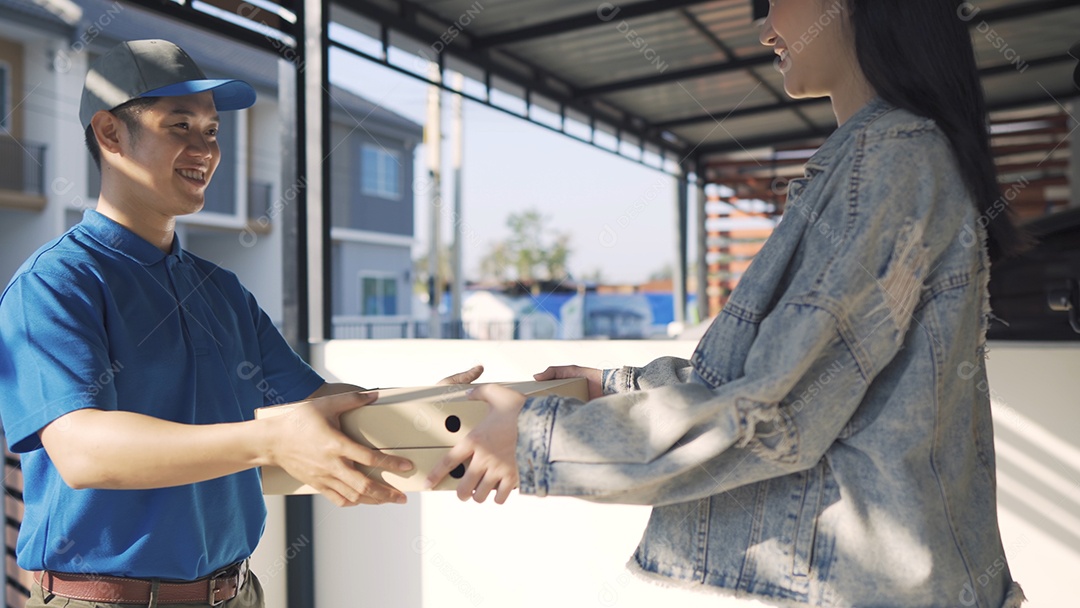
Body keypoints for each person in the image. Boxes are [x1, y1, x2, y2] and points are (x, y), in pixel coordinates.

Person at [428, 1, 1028, 606]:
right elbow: (775, 378)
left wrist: (540, 442)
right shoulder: (881, 160)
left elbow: (776, 409)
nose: (767, 31)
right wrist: (616, 386)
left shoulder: (891, 162)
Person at [0, 39, 481, 608]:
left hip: (236, 592)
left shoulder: (221, 290)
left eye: (211, 131)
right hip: (104, 599)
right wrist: (269, 439)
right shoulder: (56, 284)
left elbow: (319, 404)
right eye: (179, 125)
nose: (204, 147)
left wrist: (437, 408)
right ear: (110, 134)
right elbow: (83, 453)